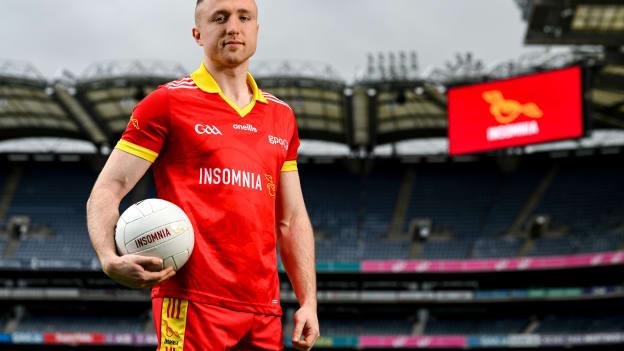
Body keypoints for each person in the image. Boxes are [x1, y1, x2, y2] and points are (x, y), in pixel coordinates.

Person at [86, 0, 319, 349]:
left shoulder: (281, 116)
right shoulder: (166, 103)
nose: (233, 27)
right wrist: (108, 258)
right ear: (198, 33)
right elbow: (108, 189)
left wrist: (309, 301)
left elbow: (292, 218)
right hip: (192, 302)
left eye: (245, 17)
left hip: (264, 310)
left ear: (257, 29)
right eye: (219, 18)